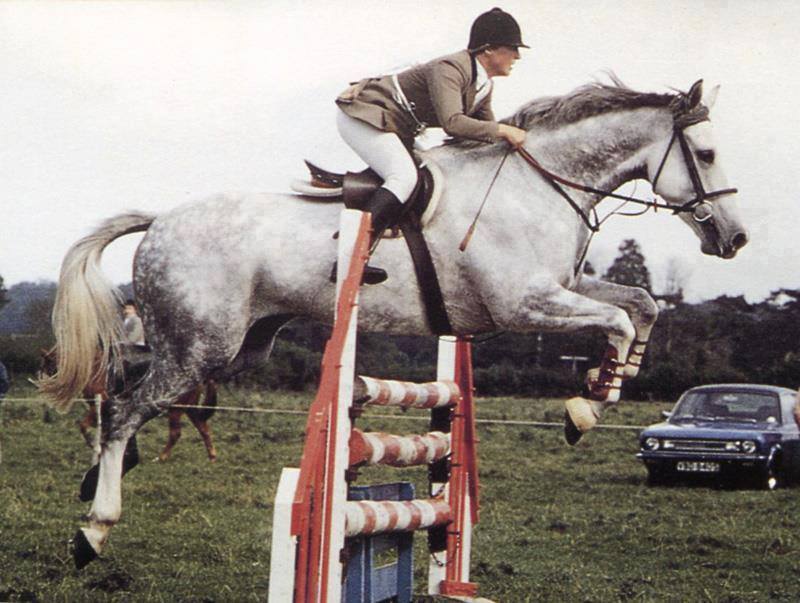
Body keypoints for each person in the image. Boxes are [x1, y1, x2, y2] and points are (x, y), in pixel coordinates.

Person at [334, 7, 529, 284]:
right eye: (512, 49)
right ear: (488, 50)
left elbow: (483, 135)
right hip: (365, 116)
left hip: (394, 126)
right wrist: (504, 130)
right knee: (404, 177)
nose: (517, 56)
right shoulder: (449, 69)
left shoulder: (483, 85)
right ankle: (350, 257)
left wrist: (514, 143)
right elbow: (454, 124)